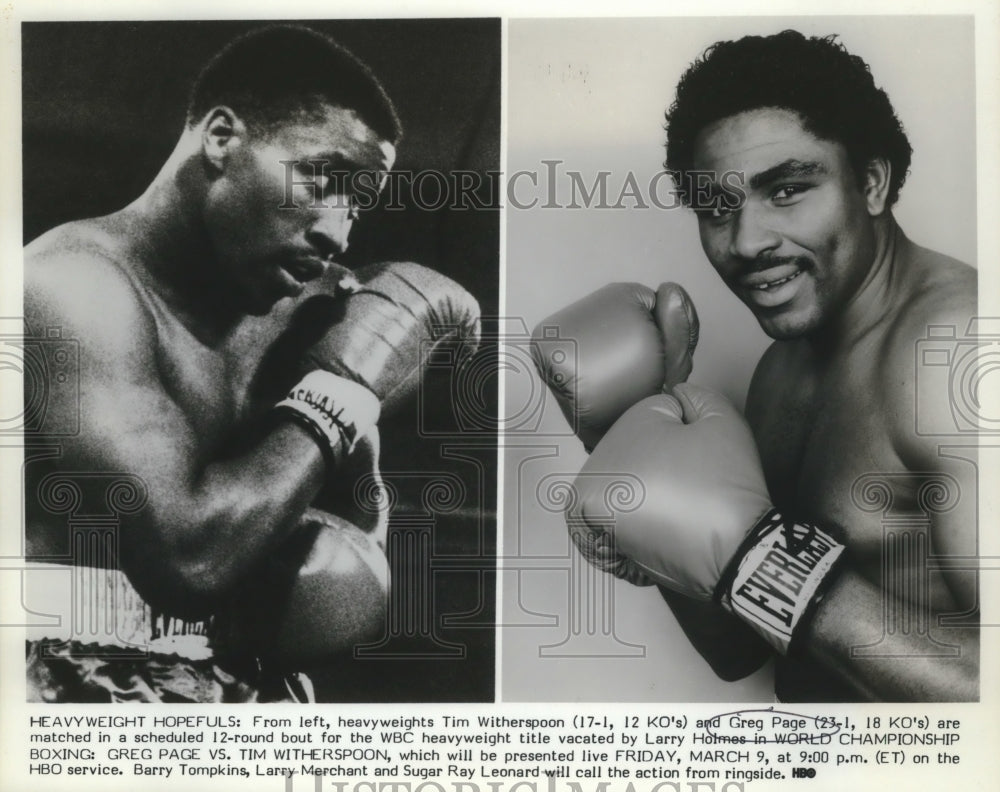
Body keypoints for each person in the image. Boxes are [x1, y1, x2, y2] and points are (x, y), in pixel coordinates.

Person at [23, 25, 479, 702]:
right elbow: (189, 559)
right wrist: (337, 393)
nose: (338, 230)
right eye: (324, 179)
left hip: (253, 695)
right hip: (75, 684)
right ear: (222, 139)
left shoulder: (306, 309)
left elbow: (354, 529)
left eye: (357, 202)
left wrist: (355, 406)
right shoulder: (71, 288)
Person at [535, 30, 977, 702]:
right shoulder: (780, 371)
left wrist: (771, 565)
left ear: (872, 182)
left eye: (788, 190)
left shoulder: (958, 350)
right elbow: (739, 653)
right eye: (718, 207)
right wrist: (633, 450)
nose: (746, 241)